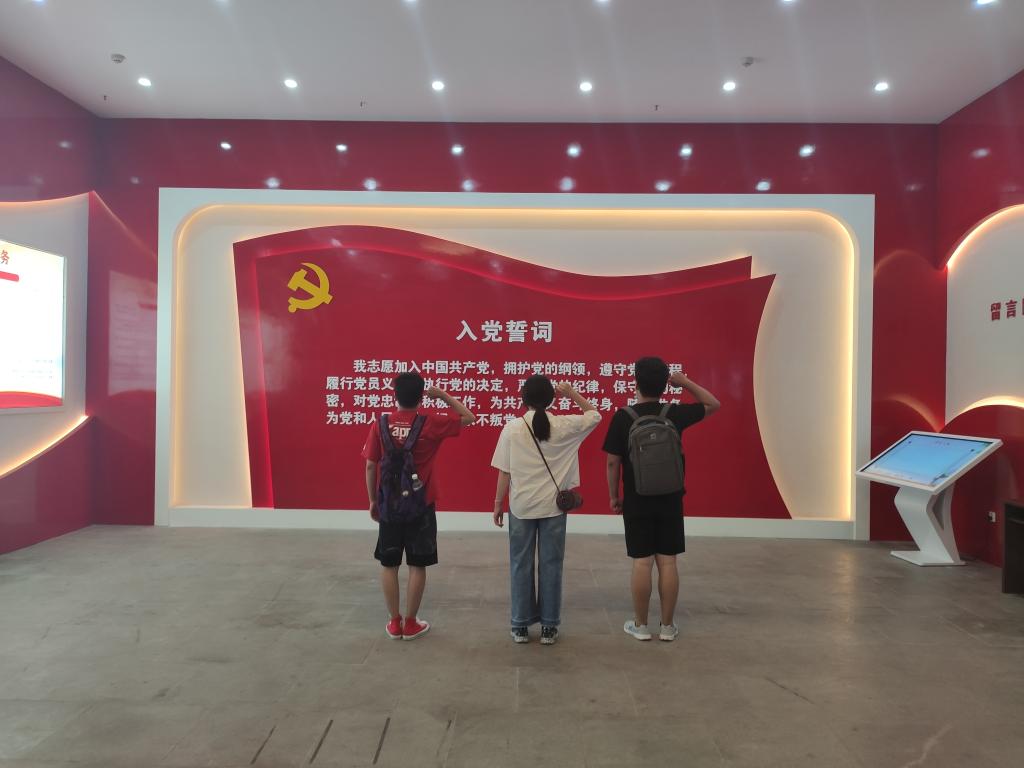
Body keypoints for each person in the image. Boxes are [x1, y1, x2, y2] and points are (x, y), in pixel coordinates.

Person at [602, 357, 720, 642]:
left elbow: (612, 462)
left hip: (637, 499)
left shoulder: (623, 417)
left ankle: (641, 626)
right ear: (666, 384)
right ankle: (667, 626)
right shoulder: (674, 414)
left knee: (642, 562)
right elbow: (713, 404)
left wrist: (615, 496)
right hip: (671, 498)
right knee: (668, 562)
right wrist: (685, 382)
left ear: (635, 382)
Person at [362, 372, 474, 641]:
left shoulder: (381, 424)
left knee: (389, 564)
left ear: (395, 395)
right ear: (422, 396)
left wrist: (373, 500)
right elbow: (469, 417)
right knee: (417, 565)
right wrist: (443, 395)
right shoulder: (431, 423)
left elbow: (370, 465)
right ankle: (411, 623)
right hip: (421, 504)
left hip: (390, 505)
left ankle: (394, 622)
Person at [491, 376, 601, 645]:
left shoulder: (513, 428)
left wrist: (498, 503)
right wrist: (571, 393)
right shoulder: (564, 425)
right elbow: (595, 415)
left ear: (523, 398)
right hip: (554, 507)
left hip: (521, 506)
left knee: (520, 564)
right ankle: (549, 627)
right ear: (552, 399)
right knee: (552, 565)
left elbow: (505, 471)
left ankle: (520, 625)